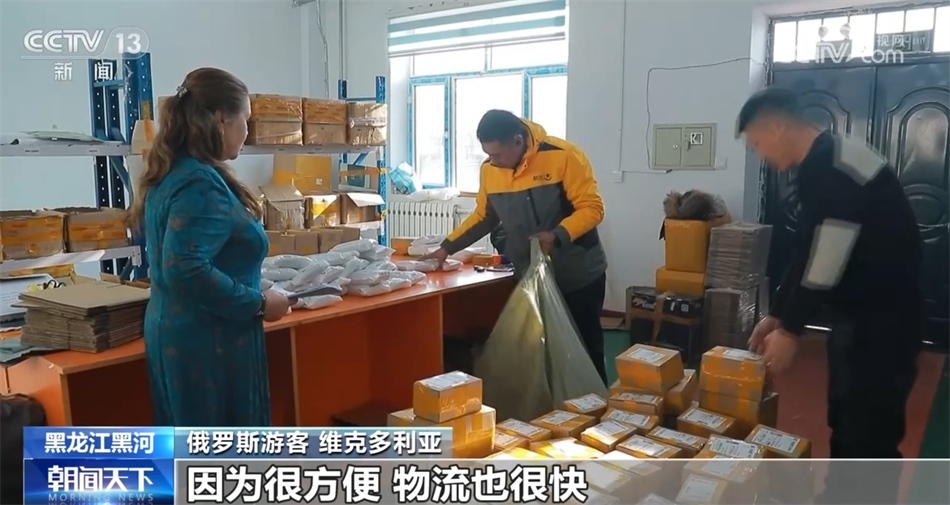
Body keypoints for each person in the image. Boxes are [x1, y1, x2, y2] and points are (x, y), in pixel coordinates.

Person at [738, 88, 923, 504]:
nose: (760, 154)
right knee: (847, 419)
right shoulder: (826, 159)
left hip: (881, 325)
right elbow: (808, 246)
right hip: (862, 319)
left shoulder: (831, 166)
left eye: (757, 143)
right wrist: (777, 314)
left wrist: (791, 329)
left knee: (868, 435)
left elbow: (828, 253)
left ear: (777, 126)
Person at [128, 68, 291, 426]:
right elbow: (184, 267)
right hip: (208, 342)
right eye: (245, 120)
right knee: (220, 448)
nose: (247, 132)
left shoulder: (176, 171)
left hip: (184, 332)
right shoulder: (199, 183)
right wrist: (259, 303)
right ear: (221, 119)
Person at [422, 110, 609, 384]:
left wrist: (556, 235)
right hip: (530, 276)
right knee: (539, 353)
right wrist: (446, 248)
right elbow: (483, 217)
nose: (493, 161)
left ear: (518, 141)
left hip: (577, 273)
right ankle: (553, 410)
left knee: (585, 350)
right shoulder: (490, 170)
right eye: (488, 154)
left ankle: (595, 406)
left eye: (497, 154)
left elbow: (592, 208)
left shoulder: (564, 156)